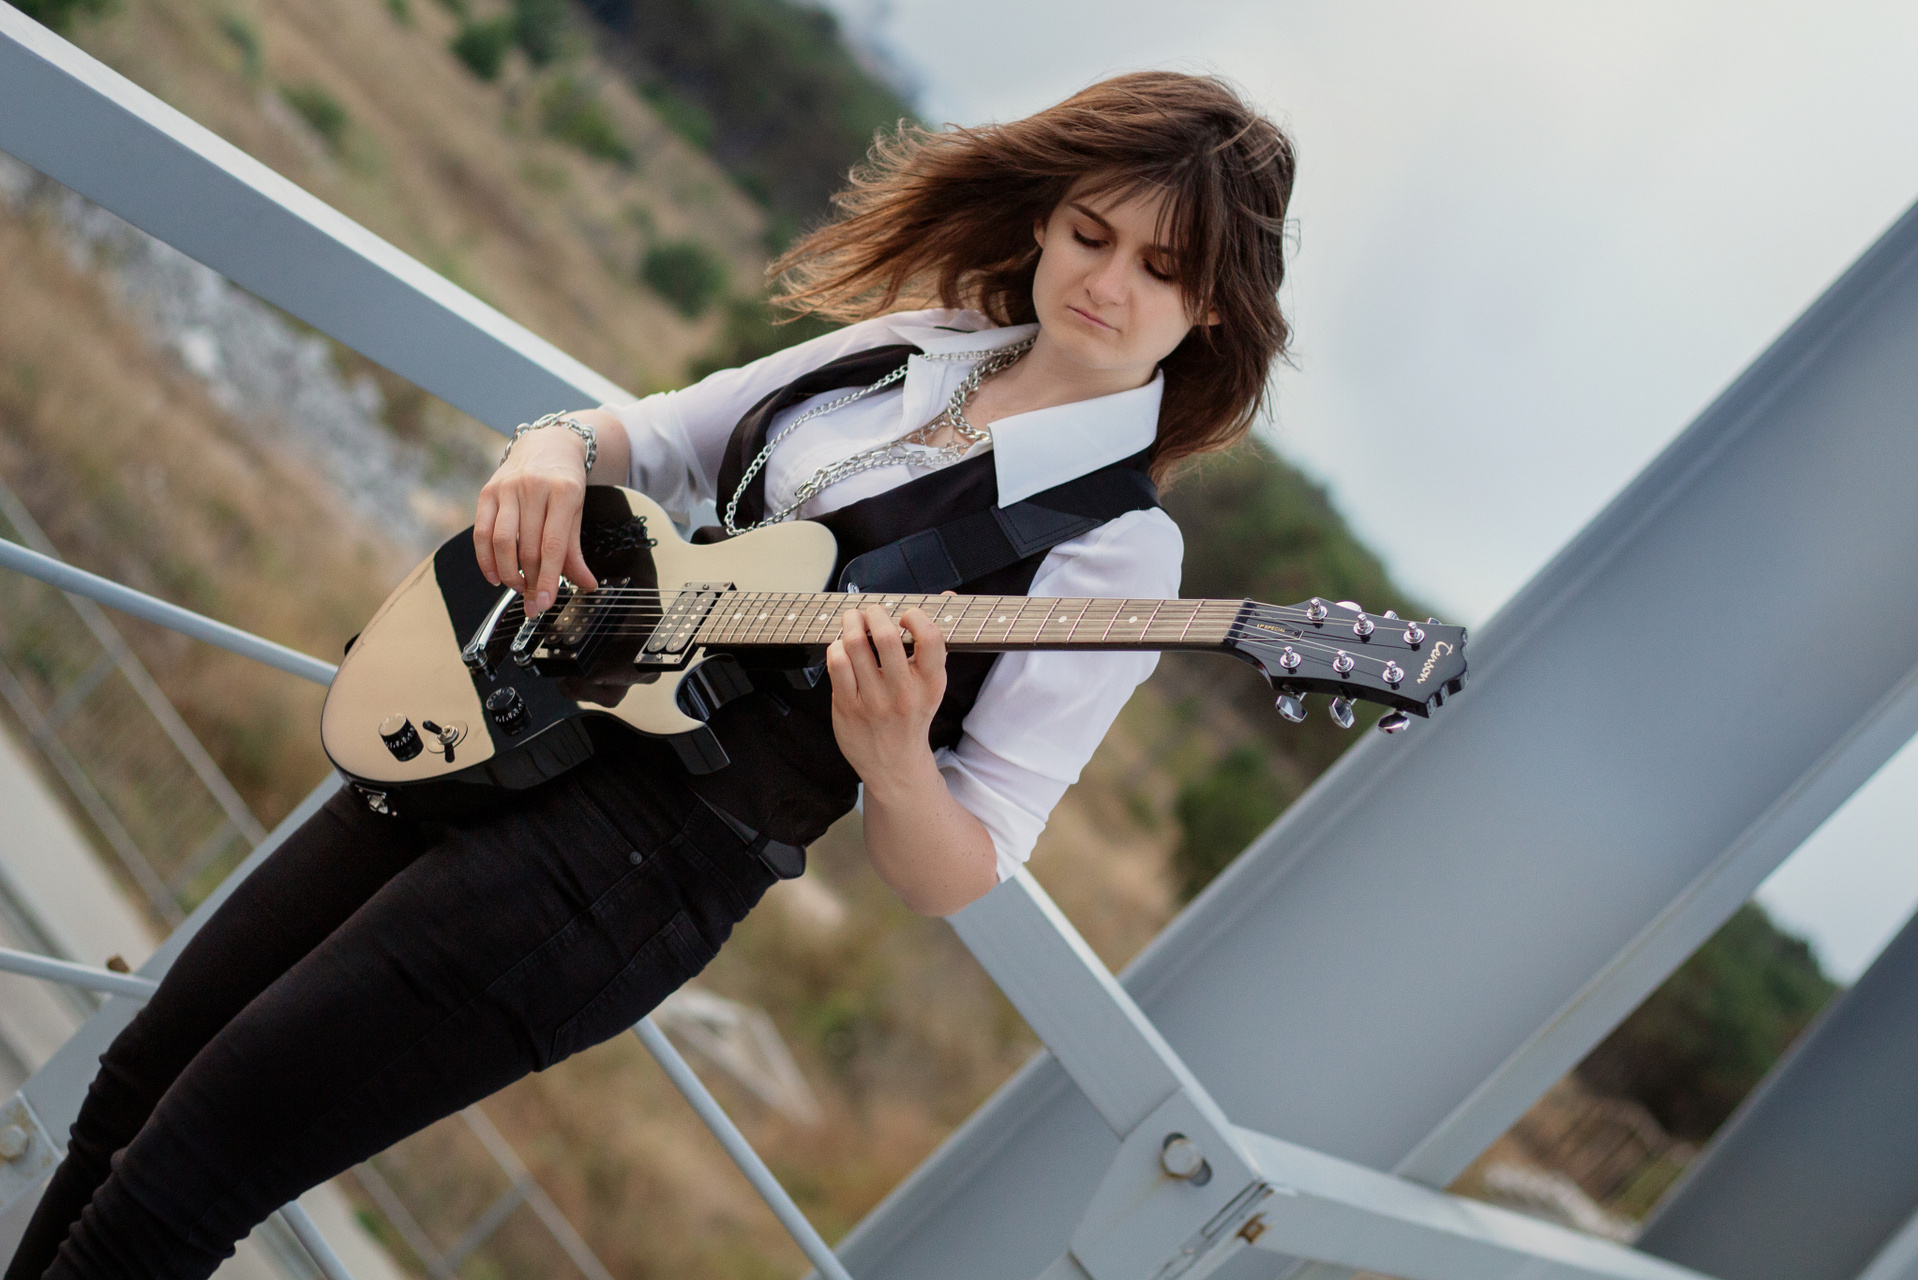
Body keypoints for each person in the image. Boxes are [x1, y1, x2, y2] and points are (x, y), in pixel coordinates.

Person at [7, 70, 1294, 1278]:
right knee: (137, 1079)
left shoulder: (1119, 551)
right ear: (1047, 220)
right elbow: (665, 434)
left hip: (629, 868)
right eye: (1090, 234)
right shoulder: (925, 343)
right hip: (514, 712)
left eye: (1160, 268)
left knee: (199, 1160)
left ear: (1216, 306)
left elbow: (965, 858)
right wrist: (551, 450)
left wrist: (897, 760)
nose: (1106, 282)